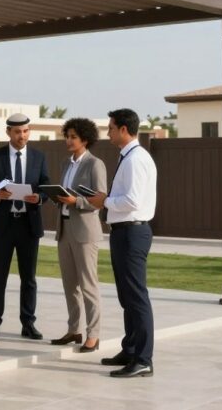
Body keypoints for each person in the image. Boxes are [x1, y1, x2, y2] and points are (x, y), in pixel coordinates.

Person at [87, 108, 157, 378]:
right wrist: (106, 198)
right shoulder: (129, 157)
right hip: (123, 231)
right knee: (127, 296)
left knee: (136, 296)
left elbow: (133, 201)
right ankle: (130, 349)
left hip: (132, 232)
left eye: (111, 128)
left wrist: (103, 201)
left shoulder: (136, 159)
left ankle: (143, 358)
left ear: (124, 130)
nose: (108, 133)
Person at [0, 113, 50, 341]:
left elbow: (46, 186)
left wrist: (38, 198)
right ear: (8, 132)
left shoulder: (39, 157)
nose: (23, 135)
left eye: (26, 131)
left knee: (28, 278)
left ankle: (28, 324)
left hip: (29, 225)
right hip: (3, 226)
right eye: (18, 132)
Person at [48, 117, 107, 354]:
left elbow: (101, 199)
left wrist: (76, 201)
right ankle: (74, 329)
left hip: (85, 232)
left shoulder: (95, 164)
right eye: (67, 136)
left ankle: (94, 334)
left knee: (88, 286)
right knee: (69, 284)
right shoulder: (65, 163)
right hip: (64, 229)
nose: (68, 140)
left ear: (85, 139)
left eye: (73, 136)